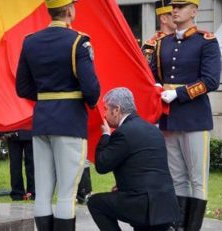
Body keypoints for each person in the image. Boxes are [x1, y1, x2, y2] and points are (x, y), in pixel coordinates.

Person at [16, 0, 100, 229]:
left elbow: (22, 87)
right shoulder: (78, 42)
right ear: (70, 10)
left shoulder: (30, 41)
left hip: (42, 120)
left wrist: (48, 97)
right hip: (69, 121)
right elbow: (91, 90)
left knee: (42, 192)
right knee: (66, 193)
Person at [151, 0, 221, 230]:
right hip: (170, 117)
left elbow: (210, 80)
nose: (175, 9)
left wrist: (180, 93)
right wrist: (158, 88)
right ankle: (179, 226)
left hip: (193, 118)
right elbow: (152, 76)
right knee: (177, 177)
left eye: (181, 5)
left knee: (197, 179)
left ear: (194, 11)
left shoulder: (206, 41)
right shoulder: (163, 43)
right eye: (174, 6)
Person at [88, 87, 180, 231]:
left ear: (116, 110)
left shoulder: (123, 133)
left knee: (95, 203)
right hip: (166, 205)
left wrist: (105, 135)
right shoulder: (153, 130)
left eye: (106, 109)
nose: (104, 114)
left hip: (144, 205)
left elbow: (102, 165)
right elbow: (143, 166)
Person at [142, 0, 176, 65]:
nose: (178, 16)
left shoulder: (182, 40)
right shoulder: (151, 46)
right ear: (164, 19)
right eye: (174, 14)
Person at [6, 130, 35, 201]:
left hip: (25, 131)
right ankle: (22, 192)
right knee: (16, 165)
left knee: (30, 164)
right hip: (14, 132)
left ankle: (26, 192)